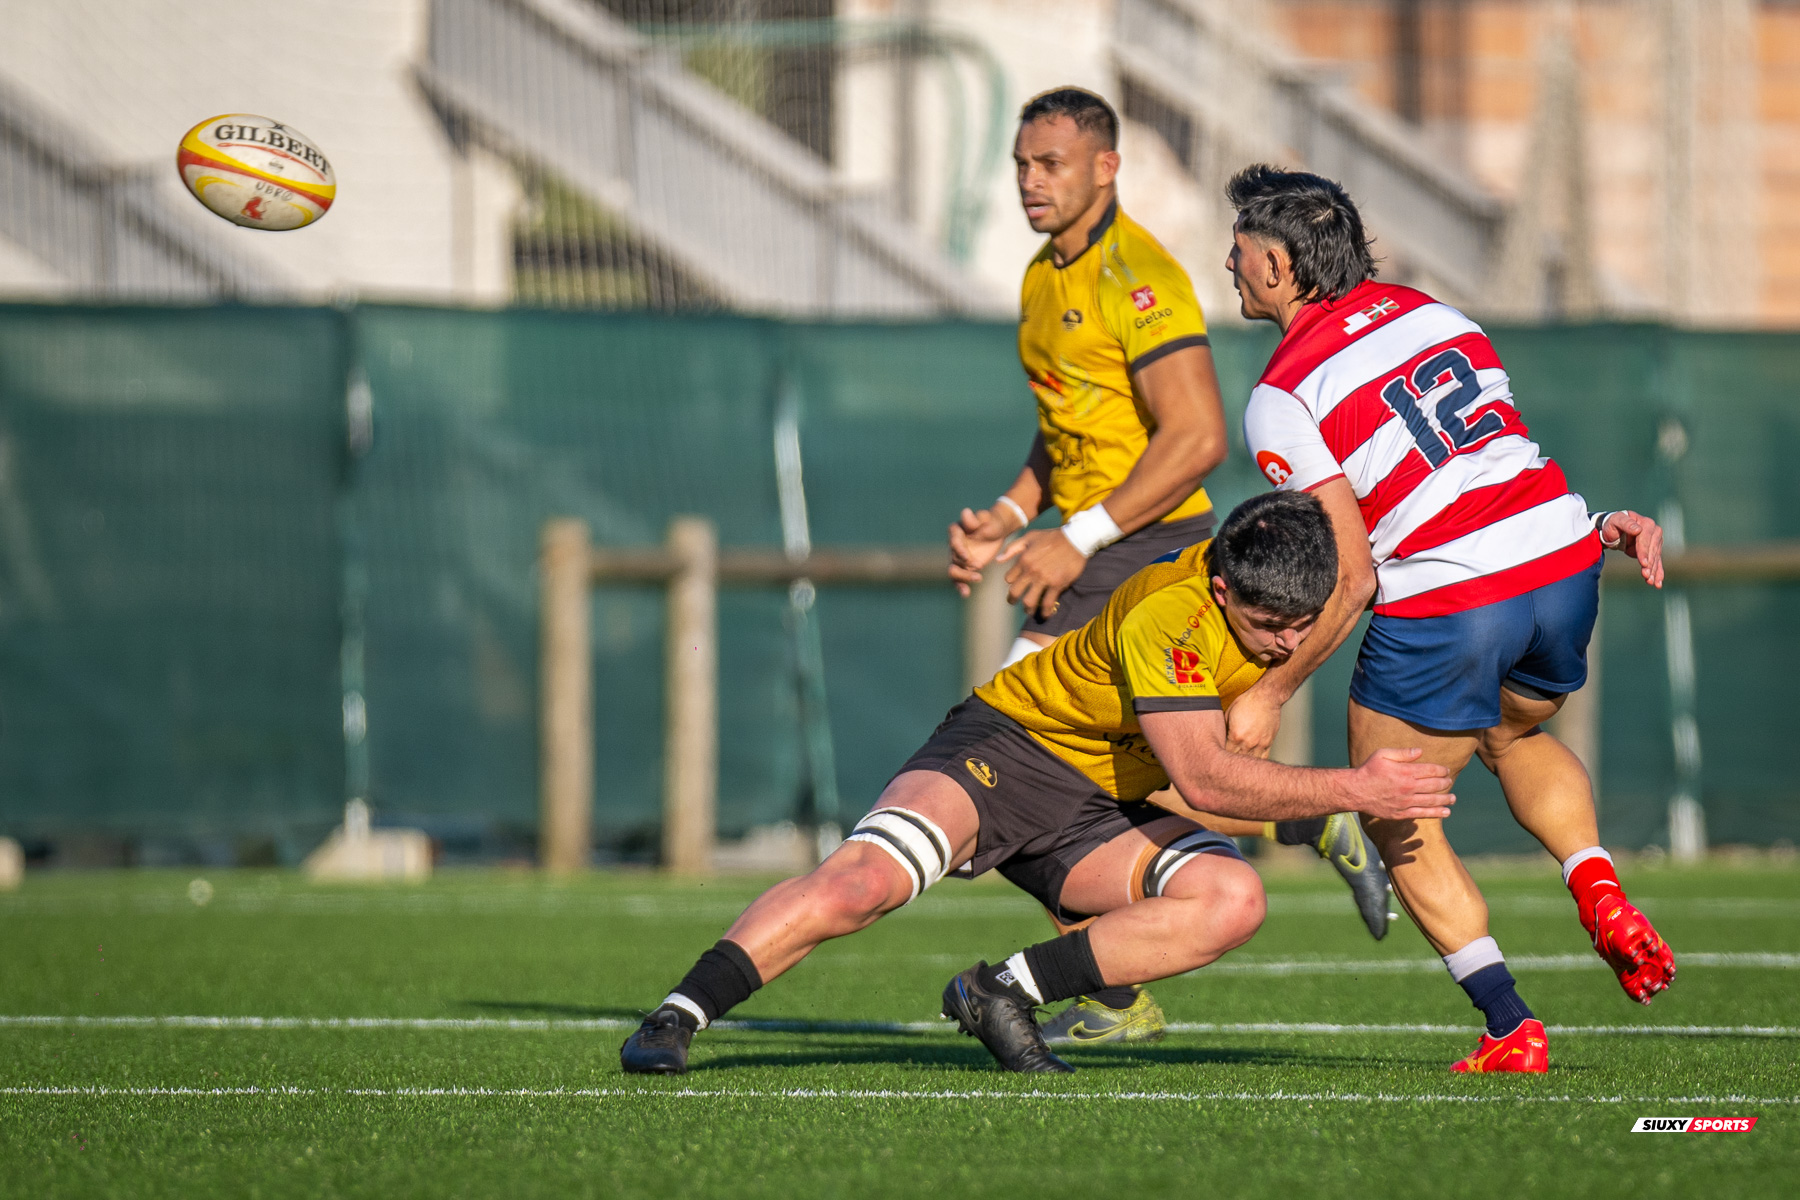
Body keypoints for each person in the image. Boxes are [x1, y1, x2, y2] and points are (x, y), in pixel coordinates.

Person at [621, 493, 1454, 1076]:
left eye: (1306, 625)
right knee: (863, 884)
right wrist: (1351, 791)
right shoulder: (1172, 615)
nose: (1289, 643)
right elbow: (1203, 779)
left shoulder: (1297, 575)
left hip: (1103, 800)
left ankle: (997, 994)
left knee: (1233, 899)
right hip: (1013, 751)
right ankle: (677, 1016)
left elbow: (1357, 582)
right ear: (1223, 587)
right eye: (1271, 627)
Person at [945, 87, 1391, 1045]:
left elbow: (1191, 439)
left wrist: (1083, 535)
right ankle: (1290, 837)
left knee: (1013, 767)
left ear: (1106, 167)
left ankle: (1115, 989)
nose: (1031, 180)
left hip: (1142, 549)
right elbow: (1066, 421)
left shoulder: (1137, 273)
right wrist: (1018, 514)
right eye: (1022, 163)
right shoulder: (1042, 274)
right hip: (1097, 543)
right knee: (1043, 769)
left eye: (1051, 163)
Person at [1222, 164, 1676, 1074]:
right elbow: (1486, 463)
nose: (1228, 266)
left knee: (1390, 807)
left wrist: (1273, 691)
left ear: (1278, 265)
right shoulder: (1436, 313)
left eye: (1237, 251)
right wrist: (1591, 529)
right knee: (1511, 734)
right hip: (1562, 559)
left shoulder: (1279, 394)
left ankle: (1510, 1025)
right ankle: (1596, 884)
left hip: (1453, 596)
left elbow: (1351, 575)